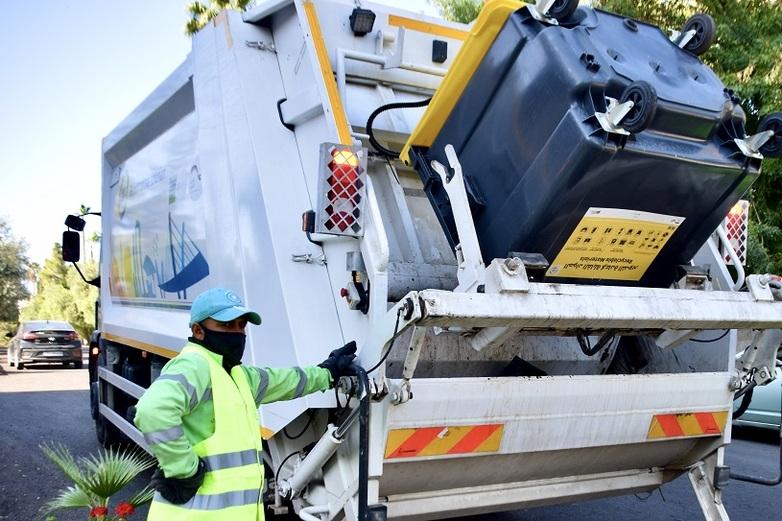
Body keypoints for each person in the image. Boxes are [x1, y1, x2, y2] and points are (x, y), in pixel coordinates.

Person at [134, 287, 357, 520]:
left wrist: (327, 372)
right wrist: (183, 470)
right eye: (226, 325)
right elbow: (153, 410)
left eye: (241, 325)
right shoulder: (194, 365)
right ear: (198, 331)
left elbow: (284, 381)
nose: (237, 333)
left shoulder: (237, 374)